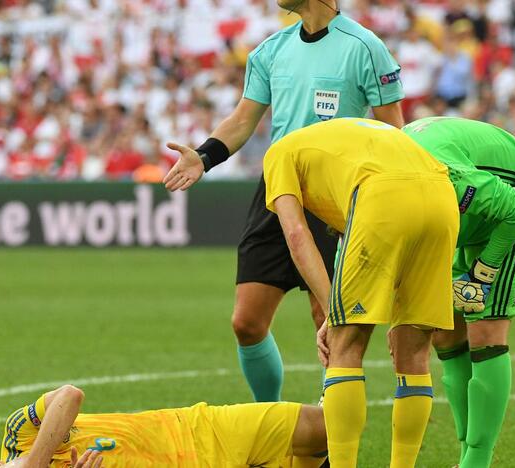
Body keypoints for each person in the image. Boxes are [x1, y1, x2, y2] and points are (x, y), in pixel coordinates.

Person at [164, 0, 405, 404]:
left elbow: (394, 130)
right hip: (278, 189)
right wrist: (204, 157)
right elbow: (243, 120)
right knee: (247, 323)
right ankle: (271, 420)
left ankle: (331, 445)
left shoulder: (365, 47)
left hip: (336, 195)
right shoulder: (270, 50)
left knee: (330, 321)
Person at [263, 117, 459, 467]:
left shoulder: (279, 153)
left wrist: (330, 311)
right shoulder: (355, 136)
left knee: (346, 344)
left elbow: (296, 234)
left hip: (382, 195)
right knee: (414, 352)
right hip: (443, 196)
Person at [402, 117, 515, 468]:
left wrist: (483, 272)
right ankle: (465, 448)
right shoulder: (381, 179)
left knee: (485, 326)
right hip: (472, 221)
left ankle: (476, 460)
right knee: (444, 333)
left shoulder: (446, 177)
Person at [0, 384, 328, 468]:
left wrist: (36, 463)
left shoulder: (18, 434)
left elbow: (69, 396)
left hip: (198, 430)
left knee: (327, 429)